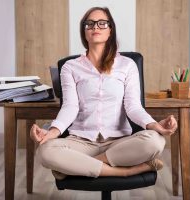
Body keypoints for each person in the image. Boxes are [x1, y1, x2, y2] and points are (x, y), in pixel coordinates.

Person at [31, 7, 177, 180]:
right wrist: (51, 133)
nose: (95, 27)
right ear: (84, 32)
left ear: (110, 30)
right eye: (90, 24)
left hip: (119, 143)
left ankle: (78, 166)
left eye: (102, 23)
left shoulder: (127, 65)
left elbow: (133, 107)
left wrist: (154, 125)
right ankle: (127, 171)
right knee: (45, 151)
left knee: (156, 141)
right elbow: (70, 106)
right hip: (81, 141)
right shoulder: (71, 67)